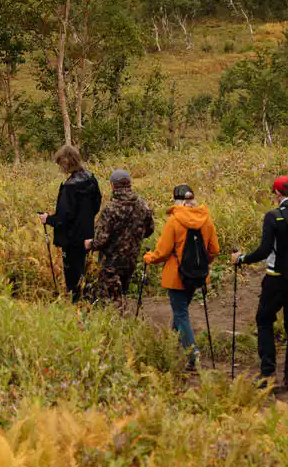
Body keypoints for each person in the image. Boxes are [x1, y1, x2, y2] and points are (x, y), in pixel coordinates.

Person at [231, 175, 288, 391]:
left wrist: (242, 259)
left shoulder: (273, 216)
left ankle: (267, 374)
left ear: (277, 193)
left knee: (264, 321)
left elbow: (264, 250)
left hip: (276, 279)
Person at [143, 184, 219, 369]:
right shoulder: (206, 219)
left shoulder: (174, 221)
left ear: (177, 201)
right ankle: (171, 344)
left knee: (181, 313)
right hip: (197, 275)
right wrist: (201, 265)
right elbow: (214, 250)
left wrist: (148, 257)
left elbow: (162, 252)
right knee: (181, 311)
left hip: (176, 276)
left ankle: (193, 355)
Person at [39, 145, 101, 302]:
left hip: (71, 239)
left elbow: (63, 218)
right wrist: (85, 219)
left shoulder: (69, 187)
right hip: (87, 234)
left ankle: (77, 307)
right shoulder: (91, 179)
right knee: (82, 270)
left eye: (61, 164)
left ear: (67, 162)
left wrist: (48, 219)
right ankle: (86, 302)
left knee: (73, 276)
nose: (61, 168)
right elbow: (96, 204)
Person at [85, 169, 154, 308]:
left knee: (110, 300)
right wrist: (134, 238)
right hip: (131, 259)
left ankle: (115, 326)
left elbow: (100, 240)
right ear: (129, 184)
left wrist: (90, 244)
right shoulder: (143, 206)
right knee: (122, 293)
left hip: (111, 262)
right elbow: (149, 229)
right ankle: (124, 322)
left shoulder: (111, 209)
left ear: (112, 185)